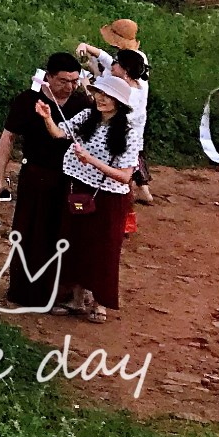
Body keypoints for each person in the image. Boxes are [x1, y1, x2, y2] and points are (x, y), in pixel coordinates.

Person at [42, 73, 142, 322]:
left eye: (108, 96)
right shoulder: (87, 117)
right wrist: (46, 117)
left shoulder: (129, 132)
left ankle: (100, 303)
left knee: (103, 250)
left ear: (119, 102)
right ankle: (76, 300)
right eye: (99, 93)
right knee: (74, 244)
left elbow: (125, 176)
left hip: (109, 198)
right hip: (79, 189)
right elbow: (58, 134)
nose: (101, 99)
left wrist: (91, 161)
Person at [0, 52, 84, 308]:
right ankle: (22, 293)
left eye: (74, 81)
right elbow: (8, 137)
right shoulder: (27, 101)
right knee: (28, 234)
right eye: (64, 81)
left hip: (70, 180)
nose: (69, 86)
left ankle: (58, 295)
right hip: (36, 175)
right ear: (49, 77)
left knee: (62, 237)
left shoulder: (82, 105)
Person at [78, 21, 152, 203]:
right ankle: (141, 191)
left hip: (122, 130)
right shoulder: (134, 64)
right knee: (132, 160)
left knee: (121, 166)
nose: (114, 64)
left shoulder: (124, 90)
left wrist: (87, 84)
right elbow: (109, 63)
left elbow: (100, 101)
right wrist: (88, 50)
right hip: (131, 128)